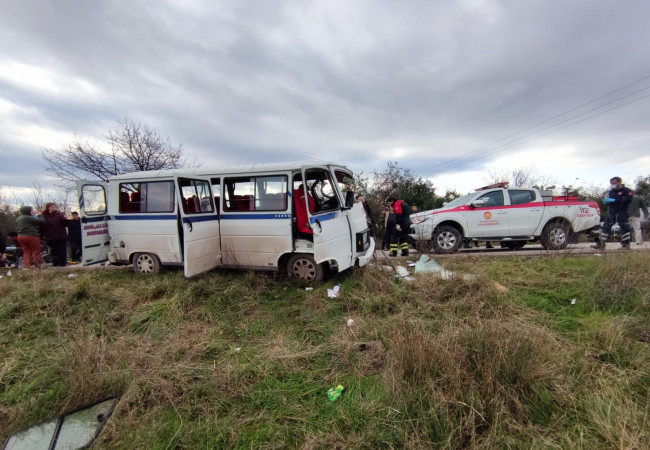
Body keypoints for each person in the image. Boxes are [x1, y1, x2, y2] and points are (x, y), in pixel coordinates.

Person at [592, 176, 634, 250]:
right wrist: (607, 202)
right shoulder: (612, 191)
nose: (612, 185)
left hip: (622, 211)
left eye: (614, 183)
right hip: (612, 212)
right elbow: (610, 201)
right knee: (605, 226)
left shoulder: (626, 190)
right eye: (611, 183)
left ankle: (625, 245)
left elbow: (628, 200)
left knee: (624, 228)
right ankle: (601, 244)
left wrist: (615, 200)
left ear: (619, 182)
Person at [42, 202, 68, 266]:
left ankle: (63, 263)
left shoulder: (60, 214)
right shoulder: (44, 216)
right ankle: (55, 264)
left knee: (62, 251)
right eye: (51, 207)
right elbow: (42, 227)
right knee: (54, 251)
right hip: (50, 237)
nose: (53, 208)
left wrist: (65, 220)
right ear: (48, 208)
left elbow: (65, 223)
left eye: (54, 206)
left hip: (60, 236)